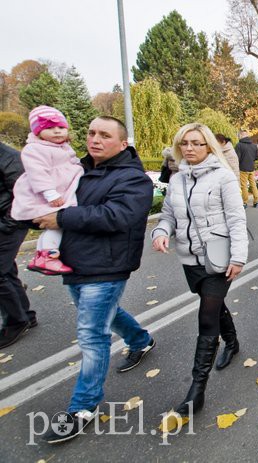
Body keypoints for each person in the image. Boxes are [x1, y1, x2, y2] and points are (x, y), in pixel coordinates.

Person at [36, 116, 155, 444]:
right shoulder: (76, 171)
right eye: (91, 133)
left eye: (104, 135)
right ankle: (141, 340)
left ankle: (83, 407)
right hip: (75, 263)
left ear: (123, 143)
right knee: (106, 315)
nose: (95, 139)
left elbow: (117, 216)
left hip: (107, 265)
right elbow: (56, 203)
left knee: (92, 334)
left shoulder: (133, 178)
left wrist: (60, 217)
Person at [152, 123, 248, 416]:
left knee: (207, 316)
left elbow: (236, 219)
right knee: (213, 305)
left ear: (209, 146)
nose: (189, 148)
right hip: (190, 258)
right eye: (184, 143)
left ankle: (197, 390)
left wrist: (238, 257)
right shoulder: (178, 179)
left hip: (218, 258)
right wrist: (161, 231)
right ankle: (232, 342)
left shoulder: (223, 177)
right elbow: (168, 214)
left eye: (196, 143)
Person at [11, 106, 83, 275]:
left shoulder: (63, 147)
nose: (57, 131)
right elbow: (37, 173)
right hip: (44, 196)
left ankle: (41, 256)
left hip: (58, 192)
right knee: (57, 225)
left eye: (61, 127)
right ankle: (49, 256)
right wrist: (50, 193)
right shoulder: (34, 149)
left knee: (52, 227)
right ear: (37, 132)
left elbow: (73, 162)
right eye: (50, 128)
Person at [0, 142, 36, 349]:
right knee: (6, 269)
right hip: (6, 222)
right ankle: (25, 315)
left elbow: (24, 194)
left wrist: (6, 224)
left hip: (12, 222)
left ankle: (15, 321)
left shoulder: (8, 157)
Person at [235, 130, 258, 208]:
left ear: (241, 135)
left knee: (244, 186)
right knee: (253, 185)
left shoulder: (239, 145)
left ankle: (244, 202)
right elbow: (256, 157)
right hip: (251, 168)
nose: (238, 137)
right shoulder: (254, 145)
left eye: (239, 135)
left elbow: (237, 158)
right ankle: (256, 201)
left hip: (243, 168)